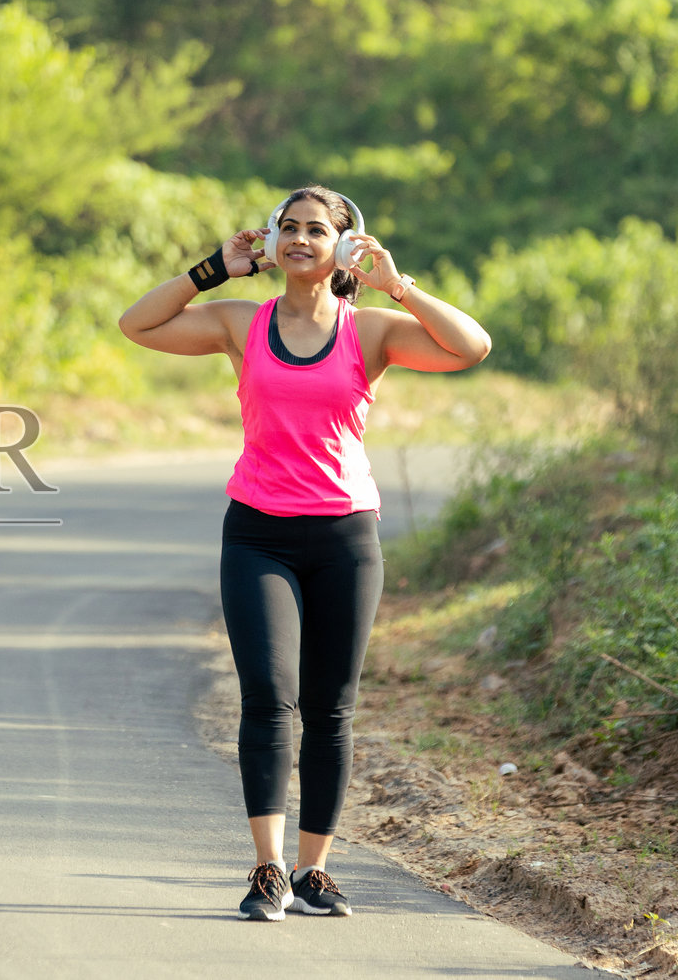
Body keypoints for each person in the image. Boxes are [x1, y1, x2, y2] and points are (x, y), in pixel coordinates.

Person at [117, 186, 491, 920]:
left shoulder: (373, 331)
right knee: (267, 698)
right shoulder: (238, 321)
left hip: (345, 538)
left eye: (316, 229)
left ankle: (315, 869)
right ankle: (268, 869)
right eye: (286, 227)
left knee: (331, 709)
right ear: (270, 239)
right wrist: (210, 271)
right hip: (257, 532)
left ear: (345, 245)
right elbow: (137, 324)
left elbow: (471, 346)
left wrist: (398, 285)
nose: (297, 238)